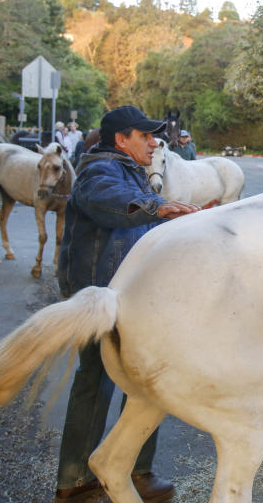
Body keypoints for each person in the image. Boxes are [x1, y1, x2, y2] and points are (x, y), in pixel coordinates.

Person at [55, 105, 202, 503]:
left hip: (127, 294)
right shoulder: (98, 171)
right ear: (121, 139)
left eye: (155, 136)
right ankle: (76, 482)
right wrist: (159, 206)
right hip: (98, 294)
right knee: (96, 382)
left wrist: (188, 220)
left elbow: (146, 222)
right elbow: (112, 201)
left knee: (142, 381)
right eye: (146, 136)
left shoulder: (131, 171)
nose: (155, 142)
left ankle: (133, 471)